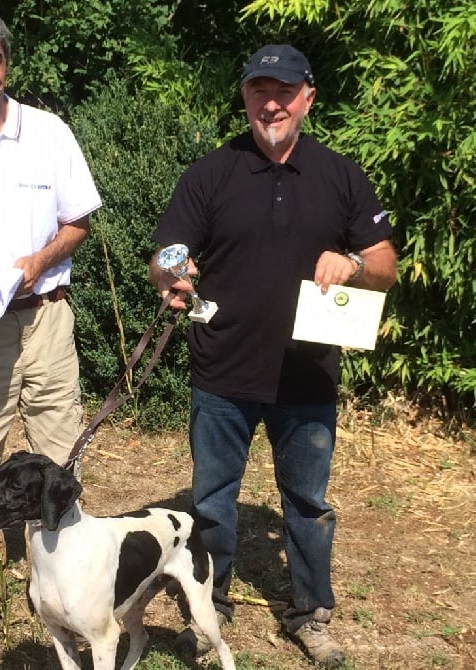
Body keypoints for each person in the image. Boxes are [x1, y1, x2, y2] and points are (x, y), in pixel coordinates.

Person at [149, 44, 397, 668]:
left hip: (307, 375)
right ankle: (213, 608)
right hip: (222, 370)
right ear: (245, 98)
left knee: (308, 504)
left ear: (308, 97)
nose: (272, 102)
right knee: (210, 500)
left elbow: (387, 264)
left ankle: (310, 614)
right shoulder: (210, 174)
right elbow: (166, 252)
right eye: (260, 90)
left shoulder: (341, 174)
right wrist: (174, 272)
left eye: (284, 91)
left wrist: (356, 263)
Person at [0, 6, 101, 645]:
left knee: (61, 462)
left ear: (8, 64)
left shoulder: (49, 132)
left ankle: (68, 594)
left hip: (46, 319)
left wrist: (38, 263)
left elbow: (78, 220)